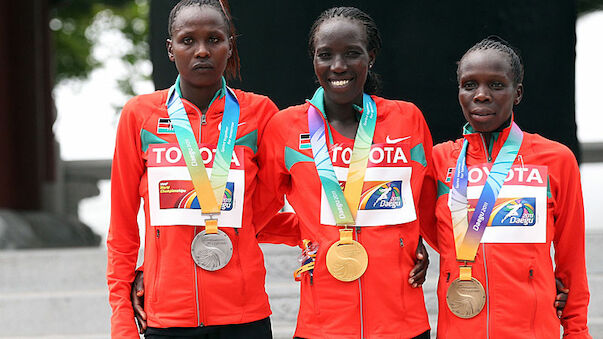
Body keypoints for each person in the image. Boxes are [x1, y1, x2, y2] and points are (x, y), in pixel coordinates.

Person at [106, 0, 291, 338]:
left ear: (229, 45)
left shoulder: (261, 114)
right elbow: (121, 227)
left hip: (244, 316)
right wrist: (122, 320)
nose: (202, 51)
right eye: (188, 40)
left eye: (214, 39)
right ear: (170, 49)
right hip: (167, 318)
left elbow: (263, 210)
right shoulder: (139, 115)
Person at [254, 7, 434, 338]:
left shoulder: (407, 120)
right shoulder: (285, 128)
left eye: (352, 54)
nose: (338, 66)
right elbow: (255, 217)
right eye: (326, 55)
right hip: (323, 325)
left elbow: (424, 202)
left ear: (371, 57)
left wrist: (413, 238)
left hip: (403, 322)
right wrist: (312, 234)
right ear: (313, 60)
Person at [424, 36, 591, 338]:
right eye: (469, 84)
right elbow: (434, 233)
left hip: (534, 330)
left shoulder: (555, 160)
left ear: (518, 94)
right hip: (459, 328)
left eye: (497, 85)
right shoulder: (438, 160)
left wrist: (577, 331)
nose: (482, 95)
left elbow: (572, 263)